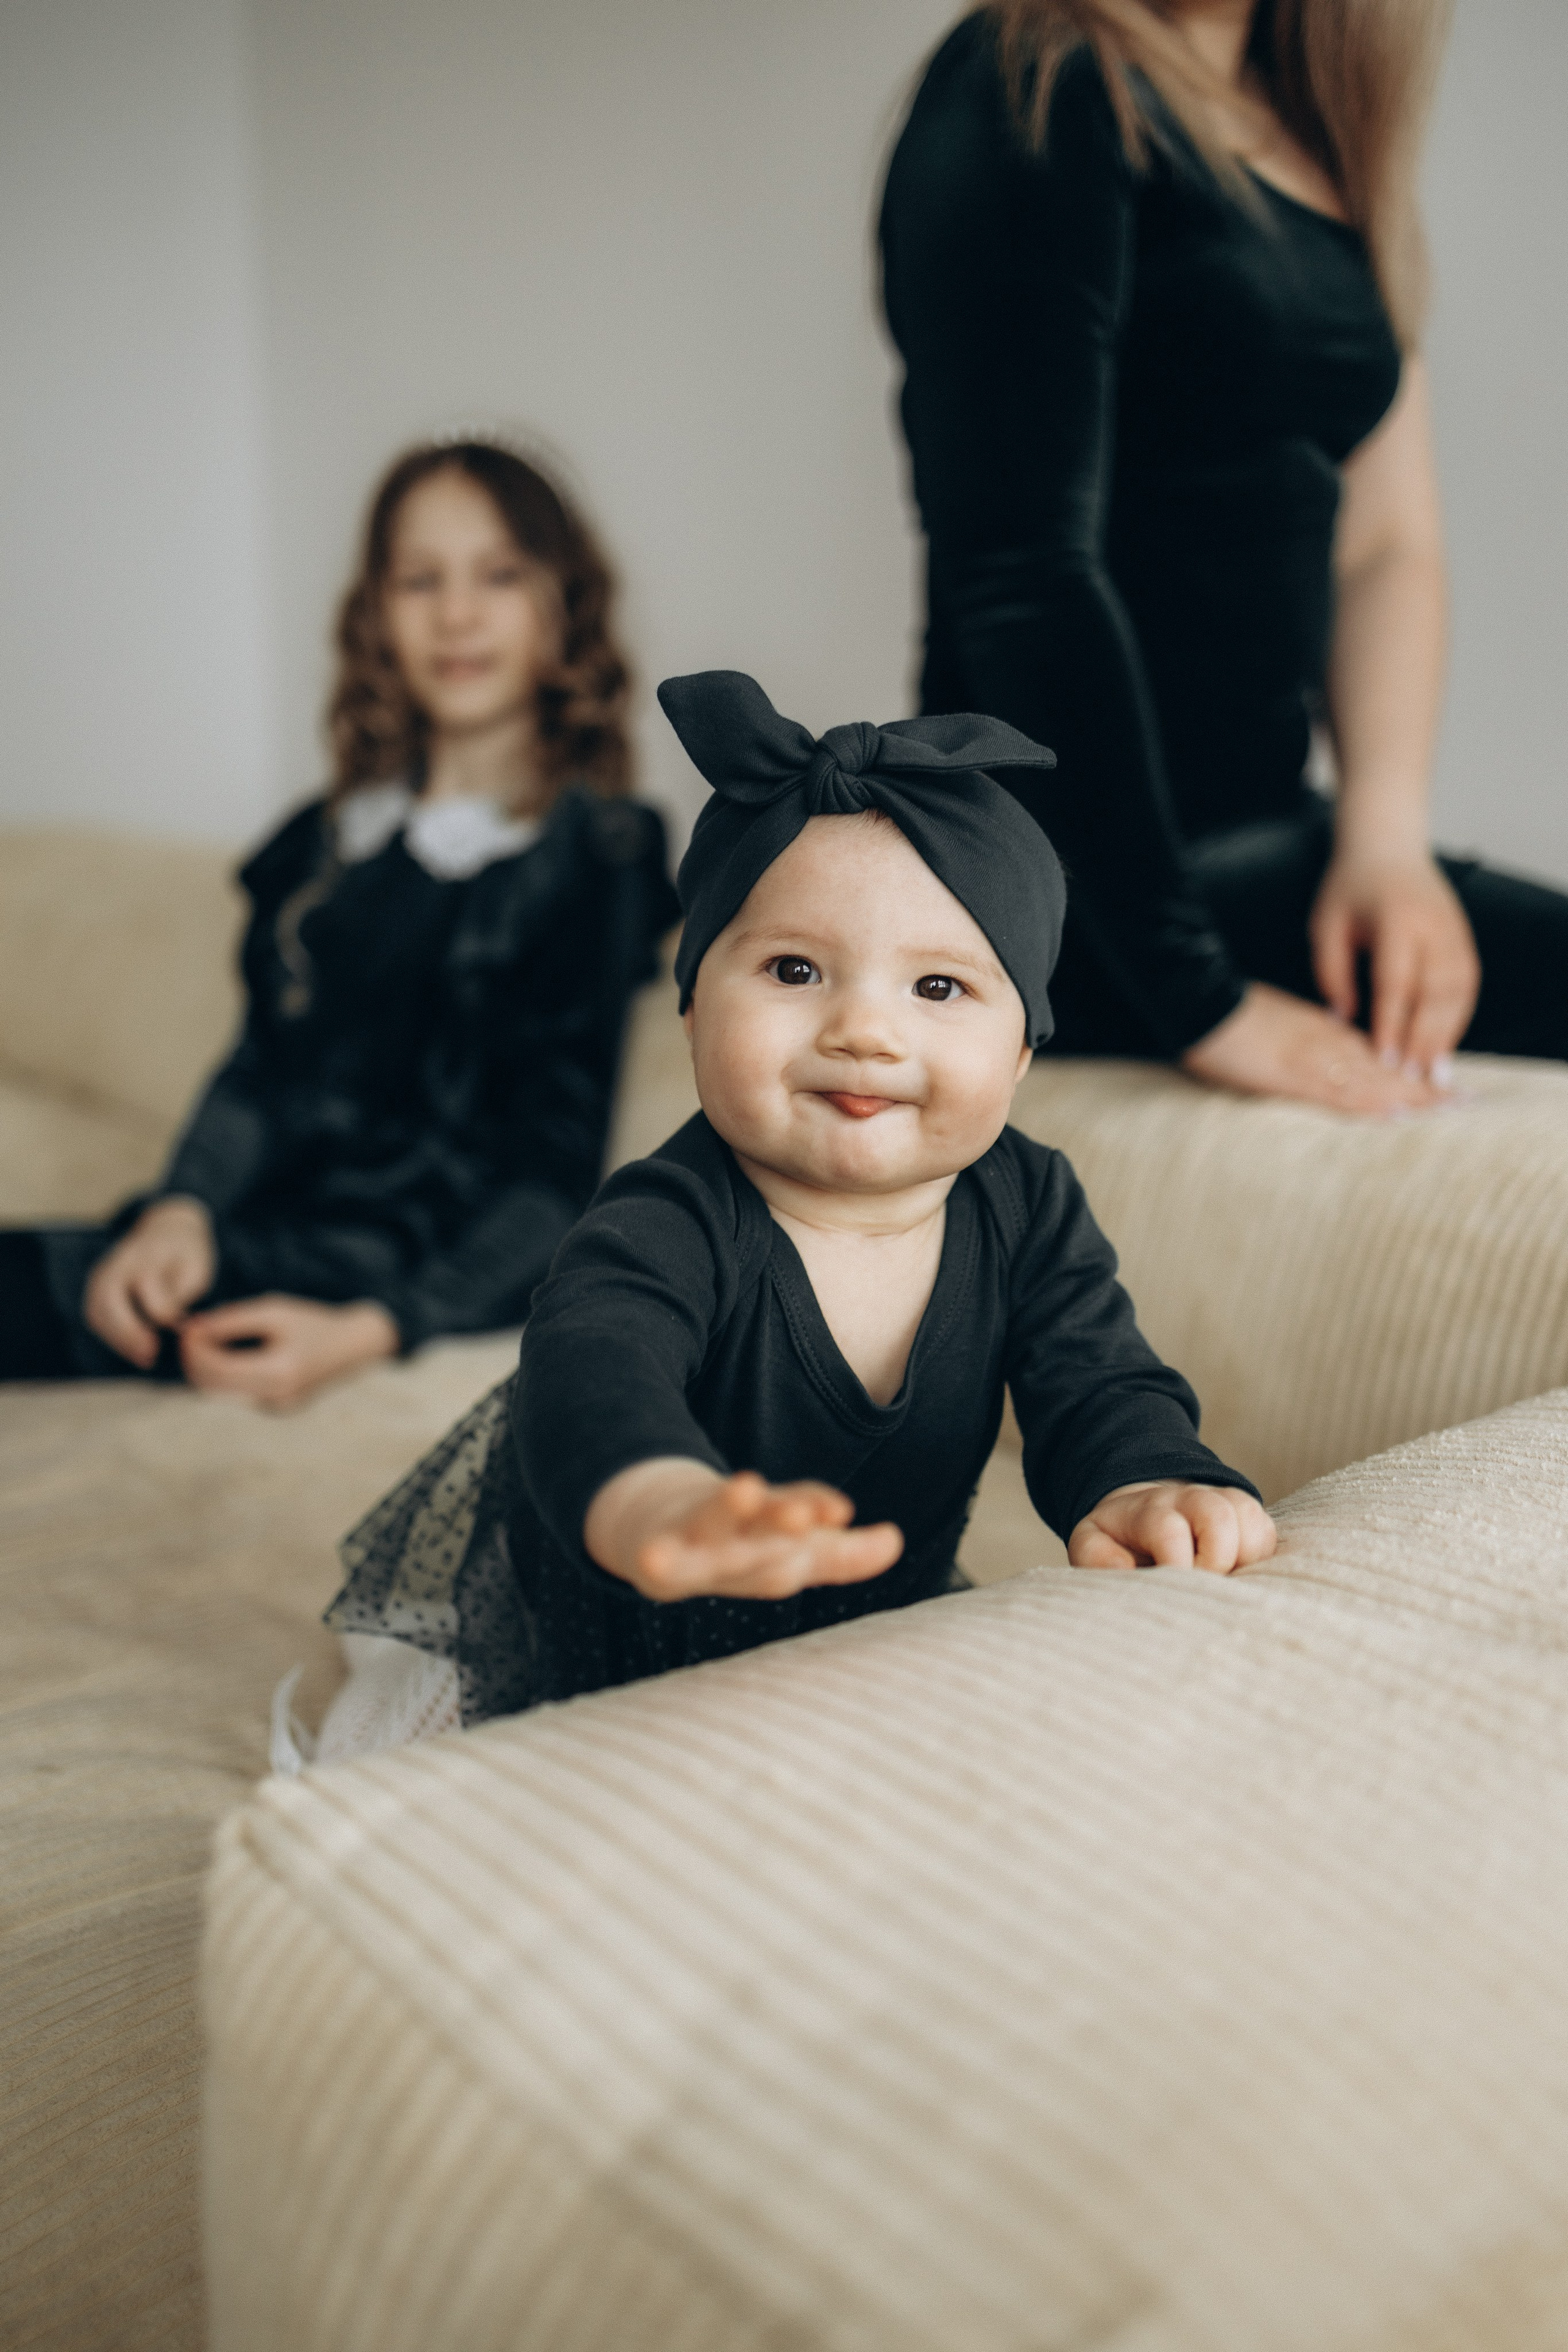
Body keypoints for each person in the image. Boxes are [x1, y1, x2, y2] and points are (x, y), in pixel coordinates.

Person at [298, 670, 1275, 1766]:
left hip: (856, 1619)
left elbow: (1097, 1377)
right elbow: (590, 1367)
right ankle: (396, 1700)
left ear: (1023, 1050)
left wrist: (1146, 1477)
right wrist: (657, 1500)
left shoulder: (1029, 1204)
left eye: (939, 989)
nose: (863, 1030)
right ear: (693, 1008)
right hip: (619, 1619)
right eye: (796, 969)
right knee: (420, 1758)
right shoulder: (671, 1211)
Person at [878, 0, 1568, 1117]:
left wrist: (1386, 842)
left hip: (1268, 839)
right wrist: (1204, 1001)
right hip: (1046, 882)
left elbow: (1386, 543)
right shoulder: (1034, 79)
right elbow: (1024, 573)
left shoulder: (1323, 144)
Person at [0, 439, 677, 1401]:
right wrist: (178, 1212)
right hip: (230, 1245)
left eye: (498, 575)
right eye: (418, 580)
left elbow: (551, 1178)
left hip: (370, 1284)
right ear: (375, 614)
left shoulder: (598, 855)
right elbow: (256, 1075)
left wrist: (373, 1331)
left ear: (563, 605)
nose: (455, 613)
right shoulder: (328, 844)